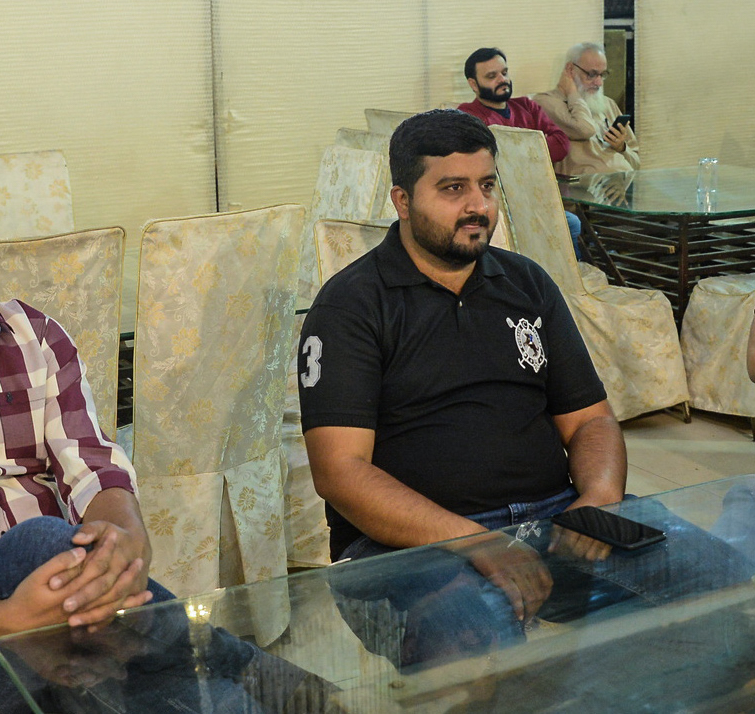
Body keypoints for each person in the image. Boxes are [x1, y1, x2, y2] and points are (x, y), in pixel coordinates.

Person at [0, 140, 331, 714]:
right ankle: (249, 667)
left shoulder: (36, 336)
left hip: (66, 612)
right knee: (41, 542)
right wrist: (8, 622)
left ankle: (234, 685)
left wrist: (123, 548)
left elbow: (94, 468)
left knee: (188, 695)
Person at [298, 110, 755, 670]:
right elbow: (340, 472)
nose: (478, 206)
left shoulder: (526, 283)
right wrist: (479, 541)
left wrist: (597, 501)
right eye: (453, 189)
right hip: (410, 547)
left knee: (726, 582)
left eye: (487, 185)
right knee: (486, 656)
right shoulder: (351, 305)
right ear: (402, 200)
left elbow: (590, 420)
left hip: (554, 518)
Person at [458, 47, 582, 258]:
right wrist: (533, 147)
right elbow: (488, 160)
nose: (502, 79)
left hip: (535, 199)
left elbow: (561, 144)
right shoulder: (468, 114)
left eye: (504, 72)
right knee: (570, 223)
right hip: (499, 204)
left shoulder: (527, 106)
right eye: (492, 76)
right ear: (473, 84)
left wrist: (512, 150)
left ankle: (568, 275)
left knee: (572, 222)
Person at [535, 42, 640, 177]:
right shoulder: (547, 102)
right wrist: (572, 92)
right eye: (591, 74)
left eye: (602, 75)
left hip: (623, 182)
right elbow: (585, 130)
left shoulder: (608, 104)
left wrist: (622, 147)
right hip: (585, 187)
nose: (599, 83)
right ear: (570, 69)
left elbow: (637, 163)